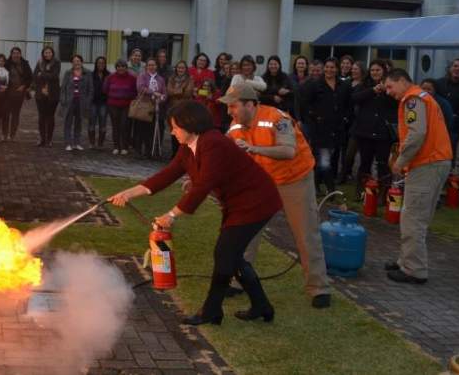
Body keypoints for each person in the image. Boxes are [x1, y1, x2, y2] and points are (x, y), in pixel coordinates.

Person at [109, 100, 282, 325]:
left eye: (175, 127)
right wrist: (128, 194)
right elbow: (167, 175)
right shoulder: (187, 147)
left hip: (256, 201)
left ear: (190, 124)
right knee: (232, 256)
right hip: (237, 203)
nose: (172, 132)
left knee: (225, 254)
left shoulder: (213, 143)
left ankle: (212, 311)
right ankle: (261, 306)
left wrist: (171, 215)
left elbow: (202, 186)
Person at [221, 84, 332, 308]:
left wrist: (254, 149)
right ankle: (239, 279)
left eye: (233, 106)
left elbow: (288, 151)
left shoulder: (277, 119)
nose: (229, 111)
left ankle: (318, 288)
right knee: (246, 231)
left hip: (295, 179)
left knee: (306, 233)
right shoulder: (234, 127)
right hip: (263, 182)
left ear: (250, 104)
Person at [384, 69, 453, 284]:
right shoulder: (422, 97)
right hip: (434, 162)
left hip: (427, 164)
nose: (388, 92)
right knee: (415, 216)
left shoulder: (412, 100)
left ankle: (414, 269)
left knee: (413, 217)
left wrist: (400, 162)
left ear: (402, 81)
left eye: (390, 86)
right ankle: (407, 260)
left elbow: (416, 134)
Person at [301, 58, 350, 194]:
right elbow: (306, 104)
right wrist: (314, 117)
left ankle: (315, 185)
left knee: (327, 158)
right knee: (324, 159)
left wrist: (345, 118)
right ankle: (330, 188)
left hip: (337, 128)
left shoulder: (343, 85)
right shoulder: (315, 85)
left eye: (332, 67)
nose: (329, 70)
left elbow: (348, 104)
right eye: (327, 67)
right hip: (320, 128)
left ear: (337, 69)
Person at [350, 59, 397, 199]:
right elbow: (354, 98)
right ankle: (361, 191)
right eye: (372, 70)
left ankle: (383, 194)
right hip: (365, 132)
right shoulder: (364, 85)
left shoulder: (391, 86)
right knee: (365, 163)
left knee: (383, 164)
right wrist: (372, 91)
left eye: (378, 70)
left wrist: (386, 91)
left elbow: (397, 102)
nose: (375, 72)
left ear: (384, 71)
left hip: (383, 133)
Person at [434, 59, 459, 159]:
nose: (457, 69)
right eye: (455, 66)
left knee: (450, 151)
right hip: (436, 123)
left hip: (455, 126)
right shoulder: (438, 83)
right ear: (450, 68)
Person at [338, 61, 367, 184]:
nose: (353, 71)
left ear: (361, 71)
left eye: (356, 69)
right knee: (345, 149)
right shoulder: (347, 83)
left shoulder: (364, 84)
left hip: (358, 121)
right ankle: (344, 173)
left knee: (354, 150)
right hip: (346, 119)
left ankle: (351, 174)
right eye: (353, 69)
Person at [103, 59, 137, 155]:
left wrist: (128, 96)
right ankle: (116, 146)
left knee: (125, 126)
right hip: (113, 105)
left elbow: (135, 91)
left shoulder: (132, 78)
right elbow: (105, 89)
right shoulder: (110, 77)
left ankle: (125, 147)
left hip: (126, 106)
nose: (121, 68)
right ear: (116, 67)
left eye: (123, 66)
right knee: (115, 126)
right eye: (118, 66)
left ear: (126, 68)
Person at [59, 54, 92, 151]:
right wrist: (63, 99)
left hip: (81, 102)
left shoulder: (88, 73)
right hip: (69, 101)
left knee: (79, 122)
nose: (76, 63)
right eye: (74, 61)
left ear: (81, 62)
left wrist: (88, 101)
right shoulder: (68, 73)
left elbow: (90, 89)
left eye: (78, 61)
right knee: (68, 123)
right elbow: (63, 88)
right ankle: (68, 143)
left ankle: (77, 143)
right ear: (72, 63)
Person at [135, 58, 167, 158]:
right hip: (144, 106)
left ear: (156, 66)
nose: (151, 67)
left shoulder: (161, 79)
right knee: (141, 129)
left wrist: (161, 98)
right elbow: (140, 88)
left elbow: (164, 92)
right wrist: (153, 93)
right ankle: (139, 151)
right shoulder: (142, 76)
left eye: (153, 65)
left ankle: (150, 151)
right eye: (149, 65)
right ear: (146, 66)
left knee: (152, 130)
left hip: (156, 107)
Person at [2, 47, 32, 142]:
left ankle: (12, 135)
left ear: (20, 54)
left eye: (17, 53)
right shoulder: (6, 64)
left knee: (15, 114)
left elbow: (30, 77)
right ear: (11, 54)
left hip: (19, 93)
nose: (16, 55)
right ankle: (4, 134)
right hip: (7, 93)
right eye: (14, 53)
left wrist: (24, 86)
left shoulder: (25, 64)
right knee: (6, 114)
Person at [33, 46, 61, 147]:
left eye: (49, 52)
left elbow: (54, 76)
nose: (47, 54)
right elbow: (35, 76)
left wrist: (42, 74)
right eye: (45, 52)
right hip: (40, 94)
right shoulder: (39, 62)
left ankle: (49, 139)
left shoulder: (56, 63)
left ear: (52, 53)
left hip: (53, 94)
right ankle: (42, 139)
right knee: (41, 117)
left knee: (50, 116)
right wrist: (44, 75)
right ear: (43, 54)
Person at [89, 56, 110, 149]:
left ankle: (100, 144)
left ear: (105, 64)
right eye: (99, 63)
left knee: (103, 124)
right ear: (96, 64)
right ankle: (92, 143)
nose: (101, 64)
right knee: (91, 124)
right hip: (93, 102)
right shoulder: (91, 75)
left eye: (103, 63)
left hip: (104, 103)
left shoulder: (109, 75)